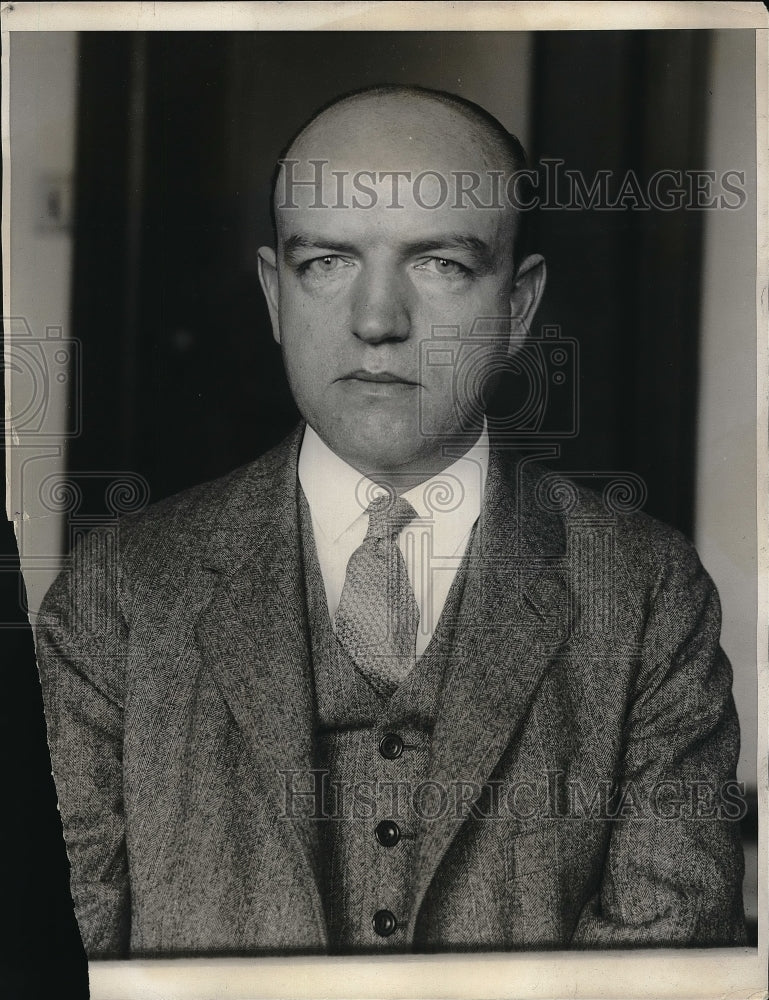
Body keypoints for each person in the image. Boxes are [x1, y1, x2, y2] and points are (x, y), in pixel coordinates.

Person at [35, 84, 746, 958]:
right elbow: (56, 955)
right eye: (325, 262)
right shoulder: (117, 593)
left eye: (440, 264)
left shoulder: (645, 592)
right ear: (272, 294)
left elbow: (661, 962)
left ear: (517, 306)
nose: (376, 321)